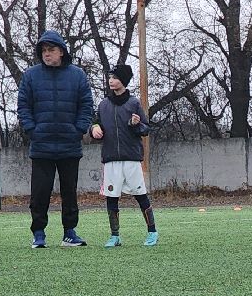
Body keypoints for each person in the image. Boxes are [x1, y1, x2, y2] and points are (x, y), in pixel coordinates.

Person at [17, 29, 94, 248]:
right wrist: (33, 130)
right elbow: (23, 107)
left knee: (70, 192)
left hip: (69, 144)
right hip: (41, 145)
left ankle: (69, 233)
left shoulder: (77, 75)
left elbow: (86, 105)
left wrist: (78, 129)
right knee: (40, 193)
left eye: (51, 50)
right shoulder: (30, 75)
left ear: (61, 52)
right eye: (43, 50)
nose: (47, 54)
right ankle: (39, 233)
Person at [91, 64, 157, 247]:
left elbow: (145, 129)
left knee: (140, 194)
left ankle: (152, 231)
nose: (111, 80)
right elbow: (95, 125)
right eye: (110, 77)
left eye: (115, 77)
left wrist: (136, 125)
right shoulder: (103, 104)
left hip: (131, 158)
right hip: (111, 159)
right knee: (111, 197)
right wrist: (93, 129)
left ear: (124, 80)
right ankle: (115, 236)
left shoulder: (134, 103)